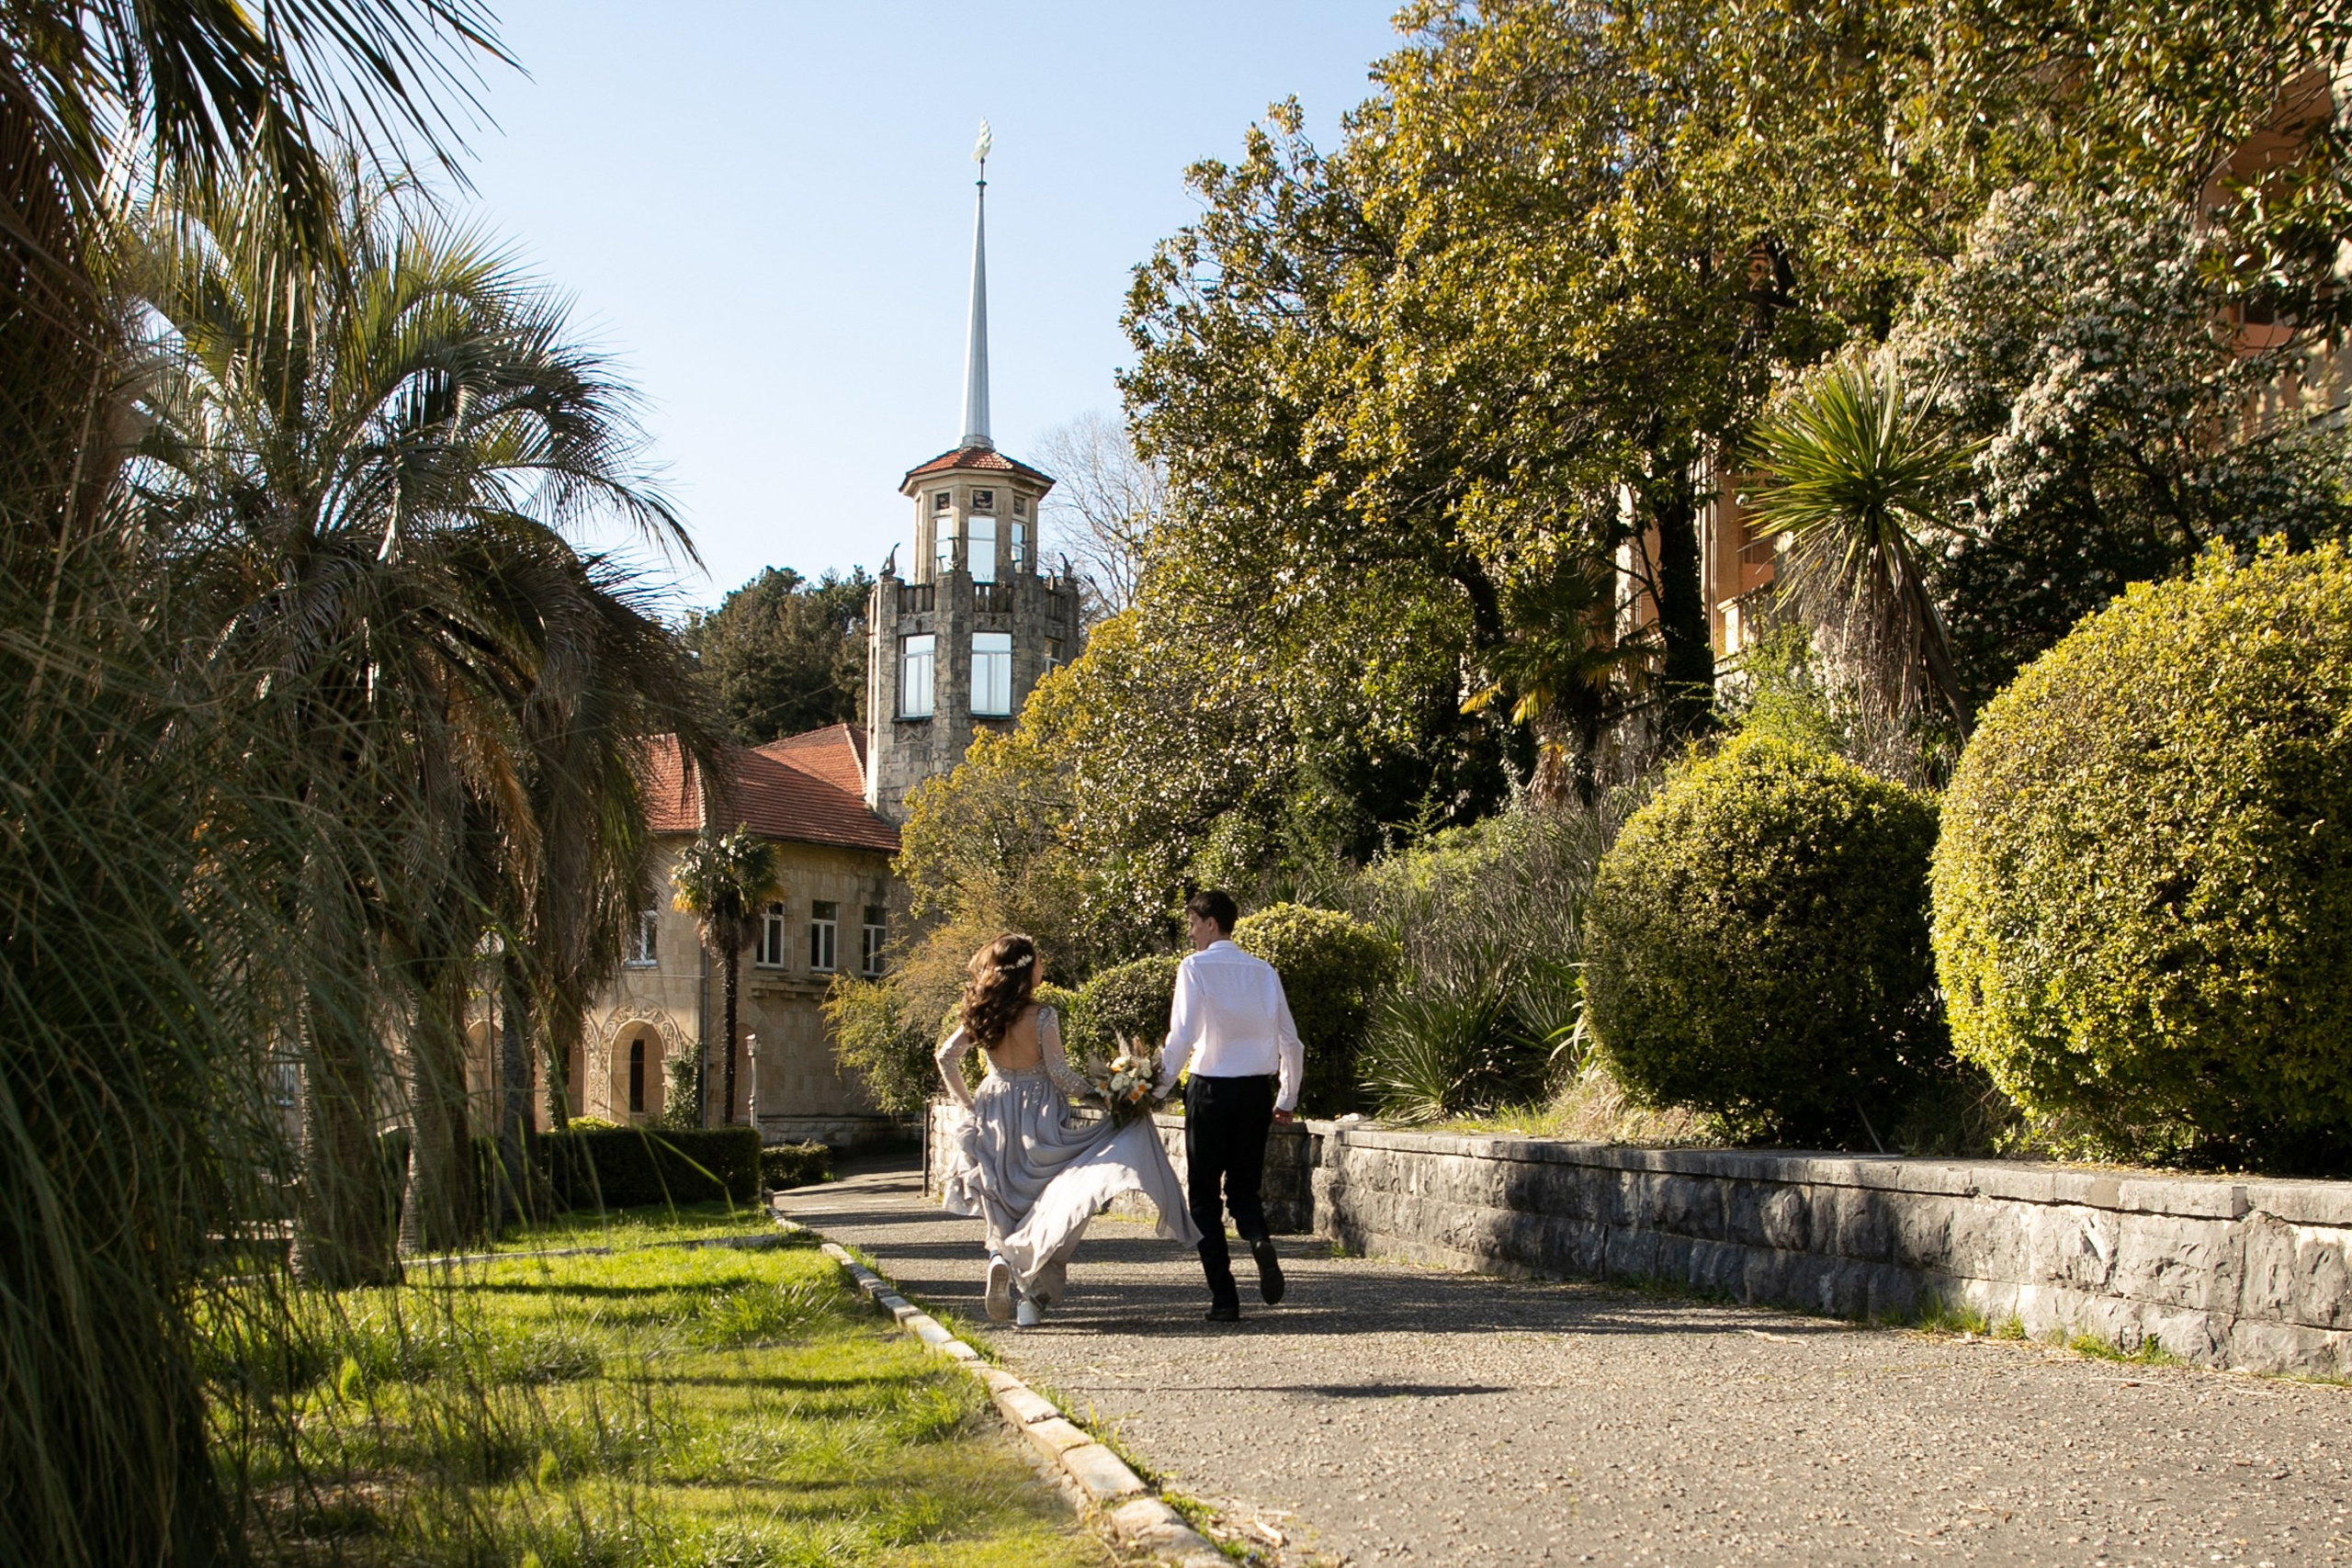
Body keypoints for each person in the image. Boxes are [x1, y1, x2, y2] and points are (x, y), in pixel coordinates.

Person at [933, 932, 1199, 1327]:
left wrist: (968, 1105)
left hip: (993, 1110)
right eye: (1039, 961)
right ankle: (1031, 1303)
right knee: (1055, 1202)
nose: (1044, 967)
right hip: (1039, 1116)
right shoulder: (1042, 1015)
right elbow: (1059, 1074)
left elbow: (946, 1056)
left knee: (1002, 1198)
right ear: (1027, 970)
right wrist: (1107, 1095)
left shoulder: (983, 1010)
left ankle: (998, 1259)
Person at [1155, 890, 1302, 1322]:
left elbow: (1181, 1037)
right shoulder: (1263, 971)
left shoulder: (1195, 967)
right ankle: (1259, 1240)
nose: (1191, 932)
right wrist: (1287, 1097)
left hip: (1211, 1089)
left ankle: (1224, 1298)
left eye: (1194, 924)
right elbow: (1291, 1041)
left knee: (1203, 1196)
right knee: (1243, 1190)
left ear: (1212, 923)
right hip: (1256, 1091)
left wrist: (1155, 1090)